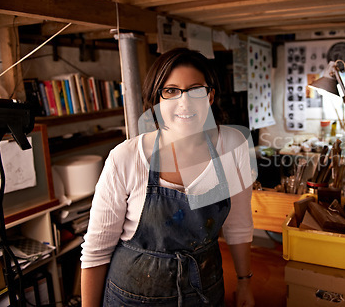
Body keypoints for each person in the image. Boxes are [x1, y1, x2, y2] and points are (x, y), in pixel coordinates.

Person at [81, 48, 255, 306]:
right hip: (134, 295)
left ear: (210, 96)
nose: (184, 102)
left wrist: (244, 283)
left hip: (204, 290)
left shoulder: (232, 145)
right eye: (171, 90)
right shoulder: (126, 157)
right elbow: (96, 251)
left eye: (196, 89)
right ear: (157, 99)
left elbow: (238, 226)